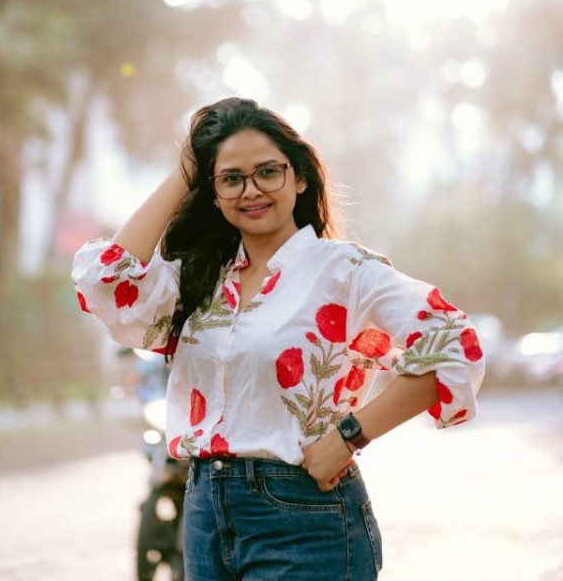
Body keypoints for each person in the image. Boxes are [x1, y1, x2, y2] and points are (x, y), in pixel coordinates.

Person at [72, 97, 485, 580]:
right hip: (205, 513)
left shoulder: (345, 271)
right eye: (231, 178)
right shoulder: (200, 280)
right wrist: (189, 164)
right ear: (212, 191)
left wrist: (350, 436)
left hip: (304, 515)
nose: (252, 190)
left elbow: (454, 342)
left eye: (268, 172)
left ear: (300, 176)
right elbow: (104, 279)